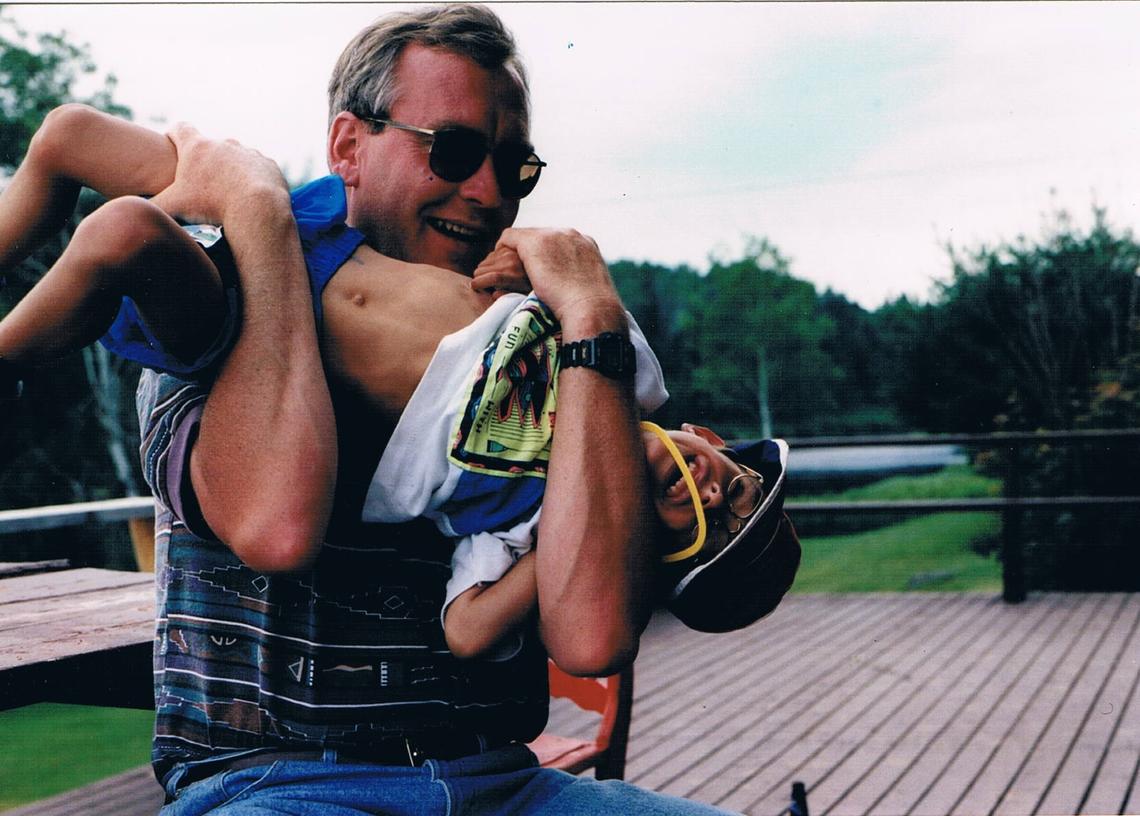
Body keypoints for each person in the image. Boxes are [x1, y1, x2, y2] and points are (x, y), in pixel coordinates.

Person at [14, 5, 793, 813]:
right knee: (82, 149)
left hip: (503, 780)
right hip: (282, 781)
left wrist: (588, 308)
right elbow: (272, 523)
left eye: (515, 167)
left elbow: (587, 624)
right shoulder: (228, 308)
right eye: (453, 151)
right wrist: (255, 209)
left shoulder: (554, 340)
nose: (489, 192)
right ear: (348, 146)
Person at [0, 105, 794, 660]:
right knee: (70, 134)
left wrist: (600, 543)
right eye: (738, 487)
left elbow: (470, 631)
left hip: (260, 333)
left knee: (122, 234)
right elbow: (540, 257)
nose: (709, 490)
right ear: (714, 442)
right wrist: (519, 255)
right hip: (318, 232)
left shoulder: (543, 528)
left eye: (706, 524)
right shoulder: (626, 363)